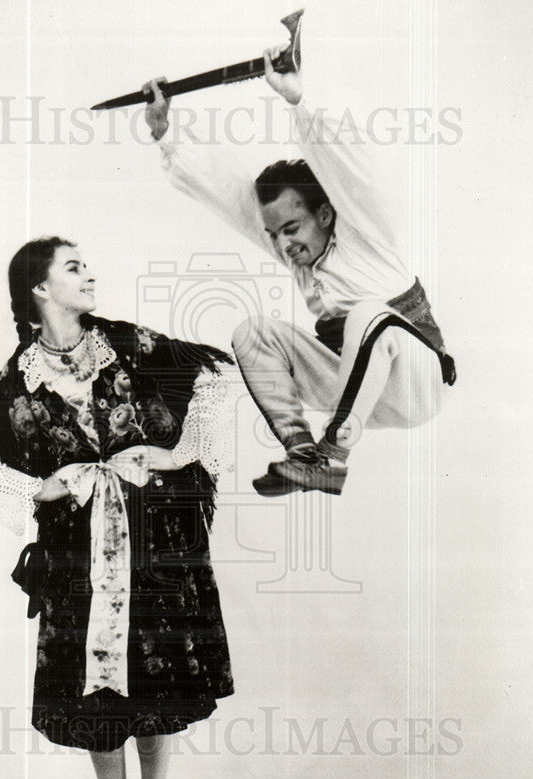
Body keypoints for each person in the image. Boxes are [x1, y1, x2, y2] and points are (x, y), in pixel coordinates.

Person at [0, 236, 234, 779]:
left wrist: (178, 453)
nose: (90, 275)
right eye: (74, 267)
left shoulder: (132, 346)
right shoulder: (15, 378)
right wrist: (36, 486)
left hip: (157, 538)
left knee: (156, 680)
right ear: (39, 288)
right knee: (93, 689)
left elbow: (216, 375)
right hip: (76, 548)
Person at [143, 45, 456, 497]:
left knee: (369, 314)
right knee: (254, 333)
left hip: (416, 381)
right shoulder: (297, 251)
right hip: (357, 390)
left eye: (292, 228)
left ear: (326, 215)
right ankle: (305, 454)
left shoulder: (366, 231)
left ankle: (332, 454)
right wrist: (164, 132)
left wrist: (297, 99)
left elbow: (345, 169)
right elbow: (232, 198)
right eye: (275, 236)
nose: (284, 244)